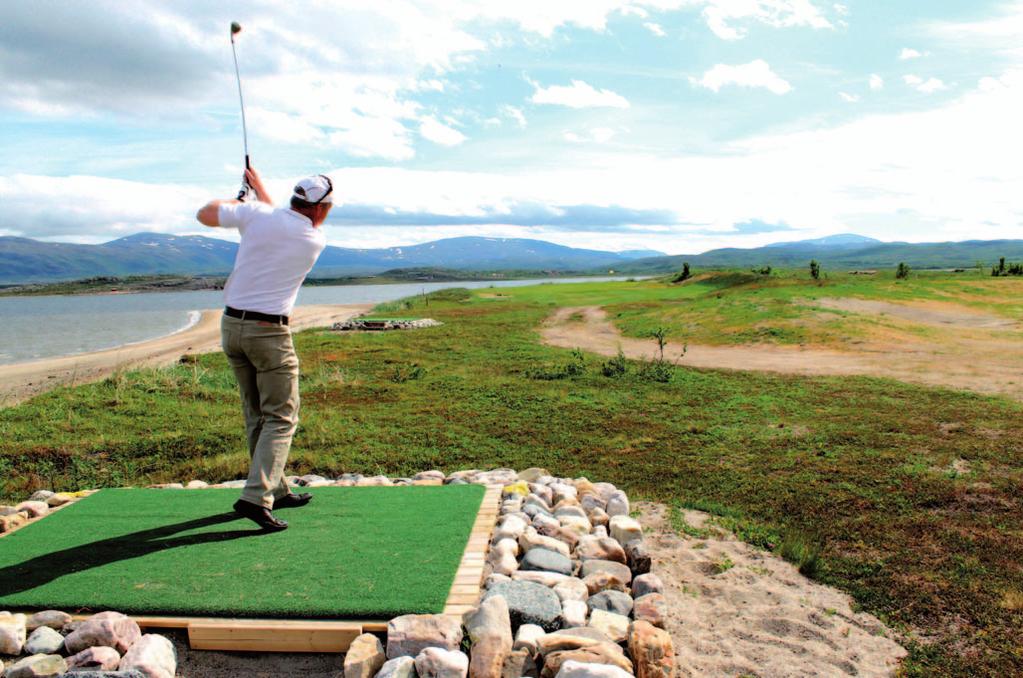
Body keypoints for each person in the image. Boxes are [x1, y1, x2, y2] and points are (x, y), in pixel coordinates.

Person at [196, 167, 333, 531]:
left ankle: (276, 486)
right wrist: (257, 196)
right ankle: (256, 497)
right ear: (322, 210)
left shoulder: (259, 216)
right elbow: (284, 223)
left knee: (257, 412)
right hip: (268, 333)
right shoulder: (312, 239)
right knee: (282, 417)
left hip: (231, 327)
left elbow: (205, 213)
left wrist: (244, 199)